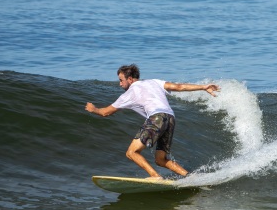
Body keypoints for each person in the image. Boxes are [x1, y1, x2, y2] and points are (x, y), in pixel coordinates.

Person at [85, 64, 220, 179]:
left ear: (130, 79)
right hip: (170, 118)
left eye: (121, 80)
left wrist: (93, 109)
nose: (120, 84)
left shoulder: (130, 93)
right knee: (161, 160)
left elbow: (105, 112)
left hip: (157, 118)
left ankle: (156, 177)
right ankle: (190, 178)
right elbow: (179, 87)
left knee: (131, 152)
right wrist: (203, 87)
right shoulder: (154, 82)